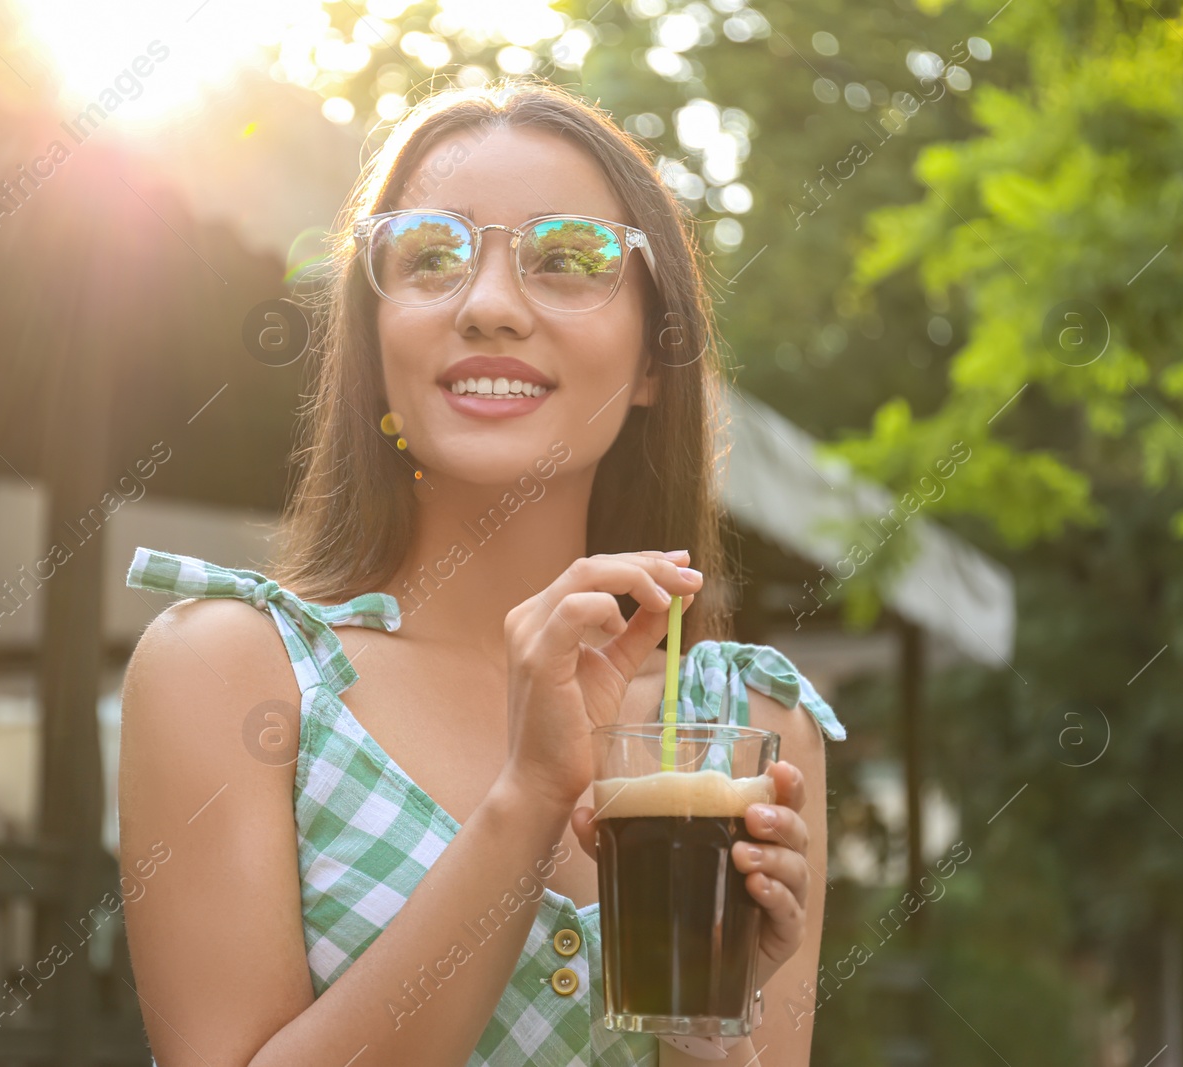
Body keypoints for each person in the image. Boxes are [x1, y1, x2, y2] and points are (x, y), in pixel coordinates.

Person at [118, 77, 846, 1066]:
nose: (490, 305)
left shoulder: (749, 725)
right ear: (376, 348)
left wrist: (711, 1024)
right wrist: (528, 797)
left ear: (650, 358)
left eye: (566, 259)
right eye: (429, 257)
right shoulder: (233, 671)